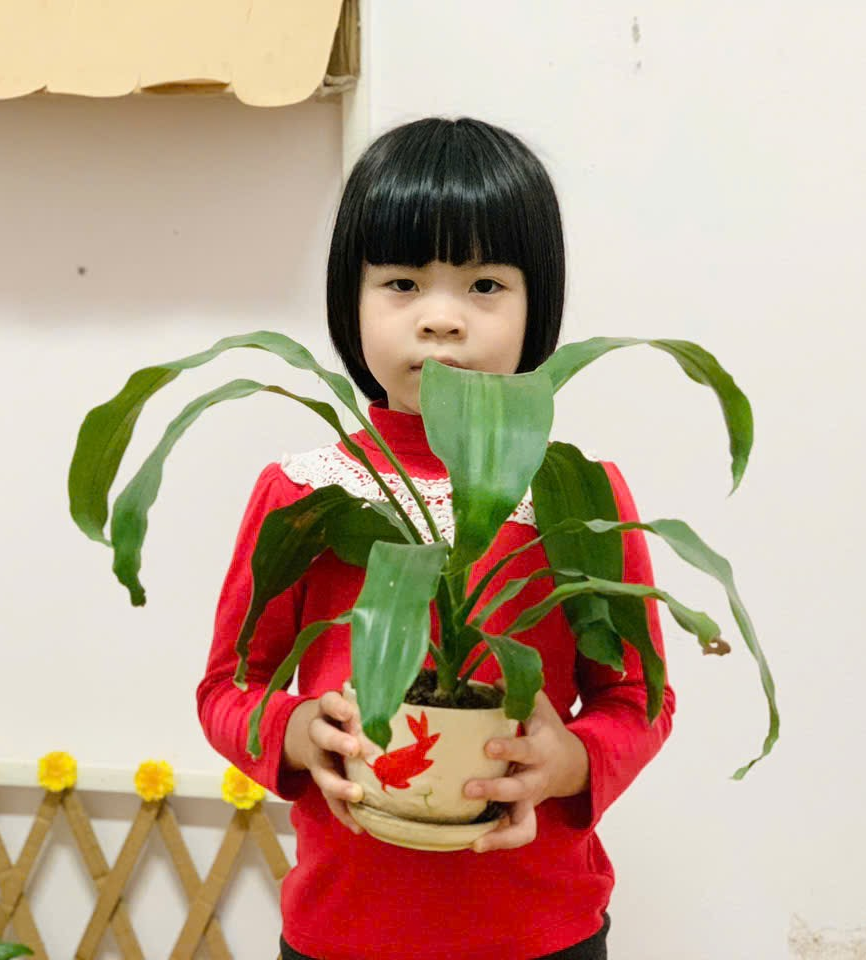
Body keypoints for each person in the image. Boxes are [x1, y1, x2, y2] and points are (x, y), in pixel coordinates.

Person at [197, 117, 674, 960]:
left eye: (486, 284)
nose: (443, 319)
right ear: (350, 300)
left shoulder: (575, 495)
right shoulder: (306, 493)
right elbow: (229, 689)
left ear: (537, 305)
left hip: (541, 931)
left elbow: (639, 697)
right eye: (403, 283)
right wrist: (301, 733)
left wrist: (569, 760)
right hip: (343, 930)